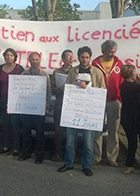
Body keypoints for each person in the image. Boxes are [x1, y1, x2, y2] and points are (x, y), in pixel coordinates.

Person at [58, 46, 105, 177]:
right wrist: (75, 85)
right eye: (82, 57)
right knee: (70, 141)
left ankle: (87, 165)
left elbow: (102, 90)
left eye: (87, 57)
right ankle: (68, 163)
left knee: (88, 143)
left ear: (90, 58)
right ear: (78, 58)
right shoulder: (73, 71)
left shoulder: (97, 72)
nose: (84, 60)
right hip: (73, 112)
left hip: (89, 114)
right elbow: (65, 88)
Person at [92, 40, 123, 167]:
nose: (112, 54)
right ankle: (96, 156)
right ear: (103, 51)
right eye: (110, 52)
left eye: (114, 52)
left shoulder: (119, 63)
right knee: (97, 130)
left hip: (114, 100)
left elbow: (122, 81)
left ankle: (112, 157)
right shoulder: (95, 63)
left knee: (113, 130)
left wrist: (120, 99)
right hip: (99, 100)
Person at [119, 64, 140, 179]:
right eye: (135, 72)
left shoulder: (134, 85)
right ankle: (129, 165)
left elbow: (137, 101)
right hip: (130, 120)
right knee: (132, 142)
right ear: (130, 74)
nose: (137, 73)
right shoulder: (126, 85)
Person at [18, 52, 51, 164]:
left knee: (39, 133)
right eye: (32, 59)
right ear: (29, 60)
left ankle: (39, 156)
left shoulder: (44, 75)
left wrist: (45, 107)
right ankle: (26, 153)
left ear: (39, 60)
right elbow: (19, 92)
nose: (34, 61)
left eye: (36, 59)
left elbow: (48, 93)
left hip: (39, 109)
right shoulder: (23, 75)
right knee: (26, 132)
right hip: (26, 109)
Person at [0, 48, 25, 157]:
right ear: (4, 57)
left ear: (15, 57)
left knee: (15, 124)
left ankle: (16, 147)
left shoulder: (19, 69)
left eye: (11, 55)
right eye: (7, 55)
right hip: (3, 99)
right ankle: (6, 145)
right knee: (6, 124)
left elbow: (23, 84)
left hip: (15, 100)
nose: (9, 57)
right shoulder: (0, 68)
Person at [51, 49, 74, 162]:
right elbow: (52, 88)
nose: (71, 59)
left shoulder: (76, 72)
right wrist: (59, 89)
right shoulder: (56, 72)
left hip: (72, 105)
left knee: (71, 132)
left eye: (72, 57)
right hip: (60, 104)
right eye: (68, 57)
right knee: (58, 131)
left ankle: (70, 155)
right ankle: (57, 153)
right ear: (63, 59)